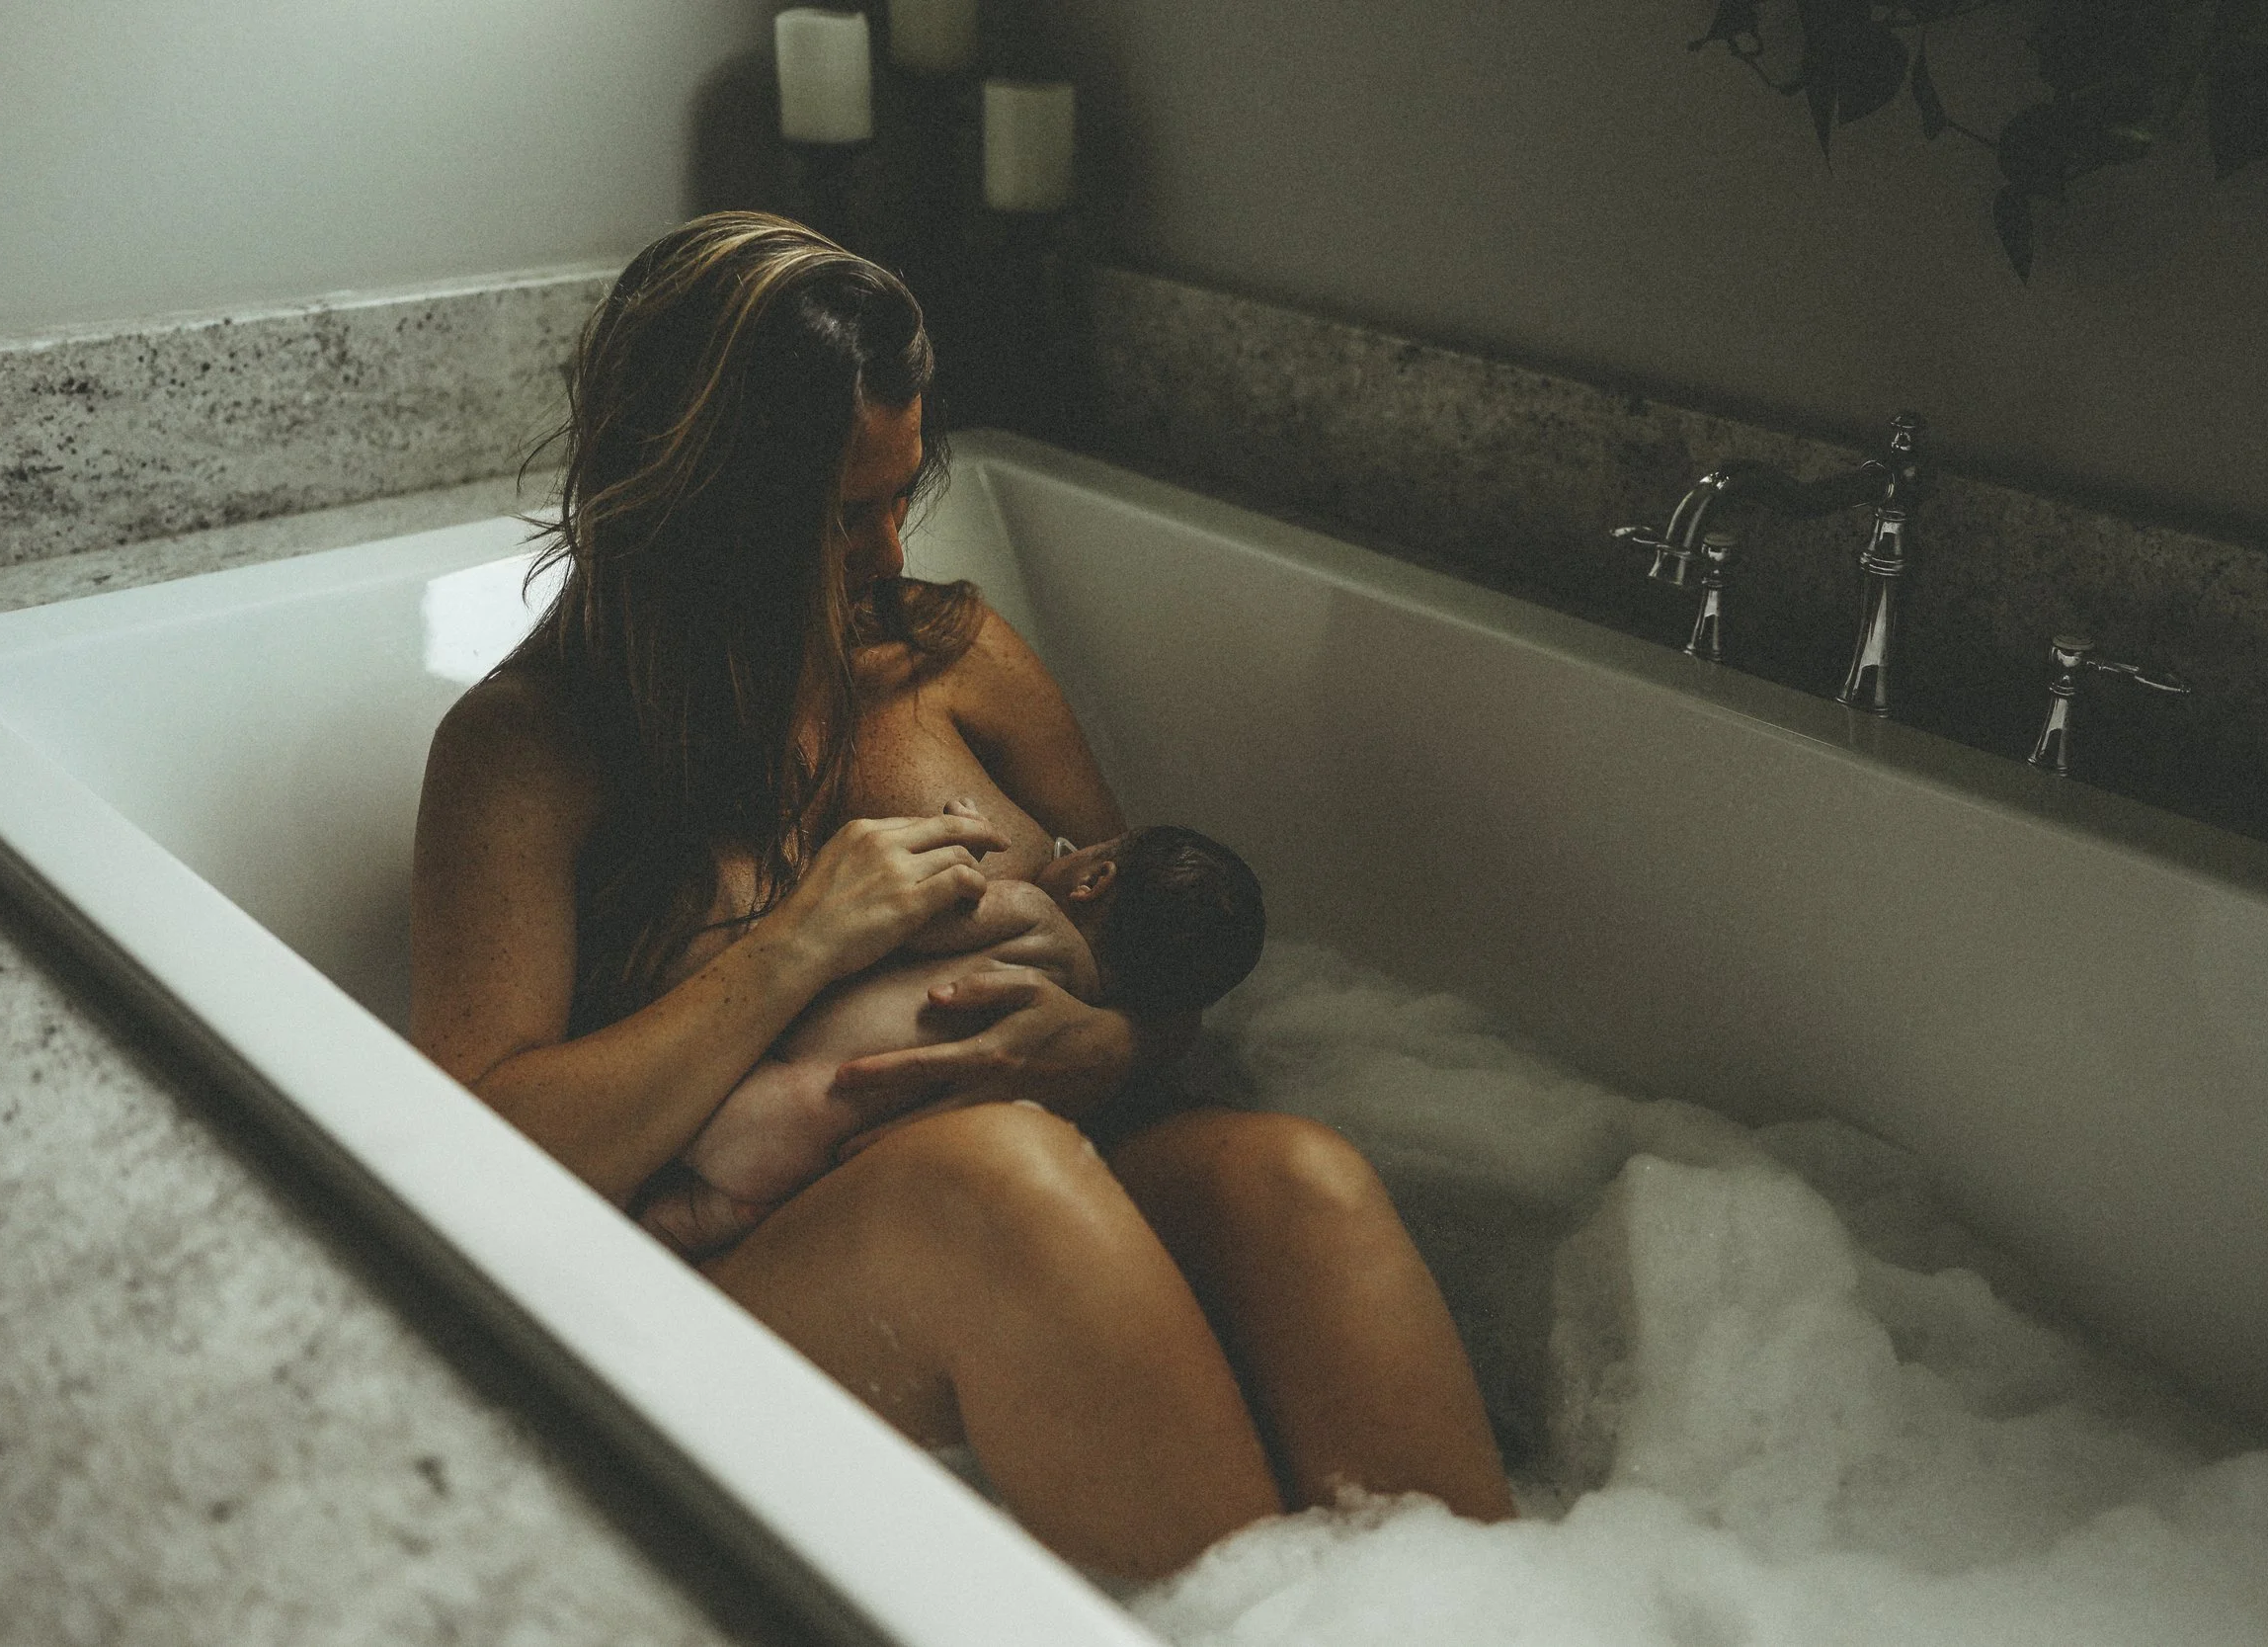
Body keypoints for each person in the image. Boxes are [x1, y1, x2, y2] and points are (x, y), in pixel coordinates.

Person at [408, 210, 1510, 1581]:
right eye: (836, 516)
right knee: (998, 1180)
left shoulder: (954, 653)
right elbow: (467, 1152)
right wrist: (800, 944)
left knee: (1303, 1179)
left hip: (1055, 1182)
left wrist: (1110, 1041)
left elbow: (1151, 963)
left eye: (899, 495)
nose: (885, 553)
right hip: (745, 1274)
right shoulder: (530, 750)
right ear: (698, 504)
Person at [635, 818, 1267, 1261]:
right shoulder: (1060, 1035)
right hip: (797, 1170)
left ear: (1094, 879)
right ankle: (689, 1223)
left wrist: (959, 851)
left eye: (1081, 846)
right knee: (677, 1225)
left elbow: (913, 921)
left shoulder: (1029, 914)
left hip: (749, 1088)